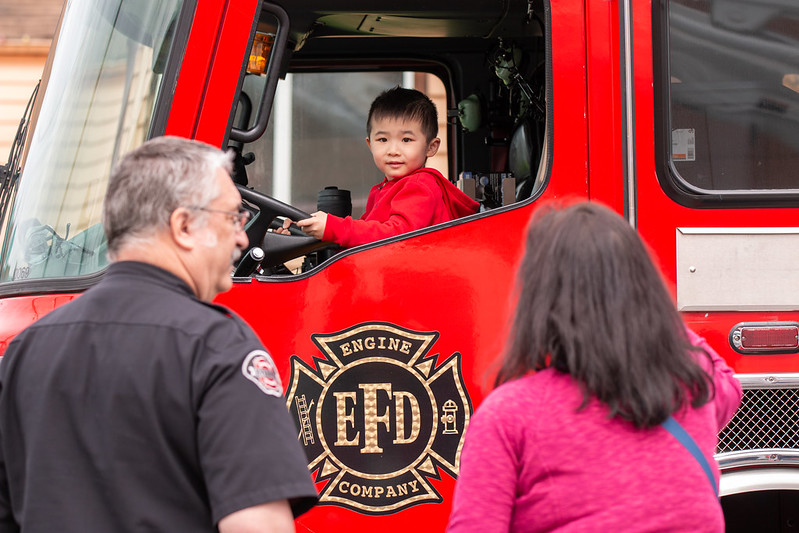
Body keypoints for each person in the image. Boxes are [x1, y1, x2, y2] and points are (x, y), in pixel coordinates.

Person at [0, 137, 318, 533]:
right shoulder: (218, 346)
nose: (241, 238)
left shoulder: (27, 349)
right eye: (232, 218)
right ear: (184, 225)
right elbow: (259, 526)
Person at [446, 202, 742, 533]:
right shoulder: (690, 383)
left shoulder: (509, 415)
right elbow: (729, 385)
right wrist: (653, 314)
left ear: (540, 303)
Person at [280, 86, 479, 247]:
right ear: (370, 144)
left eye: (406, 140)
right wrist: (305, 227)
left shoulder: (420, 186)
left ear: (431, 147)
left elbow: (396, 236)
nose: (393, 150)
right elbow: (365, 233)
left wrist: (334, 227)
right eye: (383, 139)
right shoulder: (383, 189)